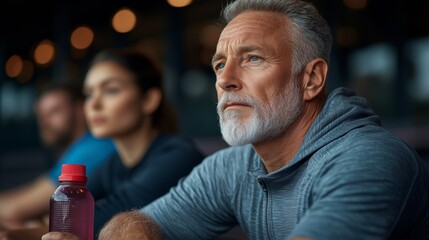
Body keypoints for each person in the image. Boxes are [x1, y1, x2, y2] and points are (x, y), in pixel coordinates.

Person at [43, 0, 429, 240]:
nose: (225, 80)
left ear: (311, 79)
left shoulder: (368, 157)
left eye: (253, 58)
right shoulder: (235, 165)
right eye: (219, 64)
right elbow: (137, 223)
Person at [17, 49, 203, 240]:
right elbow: (72, 210)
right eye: (89, 94)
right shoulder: (114, 164)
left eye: (111, 90)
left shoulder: (178, 155)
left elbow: (106, 213)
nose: (94, 104)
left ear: (148, 100)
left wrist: (18, 233)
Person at [0, 83, 116, 232]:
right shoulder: (77, 148)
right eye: (41, 115)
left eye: (54, 111)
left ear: (80, 110)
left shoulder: (94, 146)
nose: (44, 122)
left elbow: (15, 209)